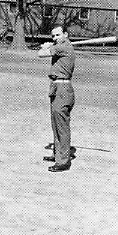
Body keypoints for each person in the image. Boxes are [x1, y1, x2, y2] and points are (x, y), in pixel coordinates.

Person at [38, 24, 76, 172]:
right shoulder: (61, 47)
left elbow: (40, 54)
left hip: (63, 90)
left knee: (62, 127)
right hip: (56, 88)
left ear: (65, 34)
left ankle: (63, 161)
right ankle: (58, 155)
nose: (55, 38)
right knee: (55, 124)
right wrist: (50, 45)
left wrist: (47, 46)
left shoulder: (64, 47)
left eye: (58, 35)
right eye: (53, 36)